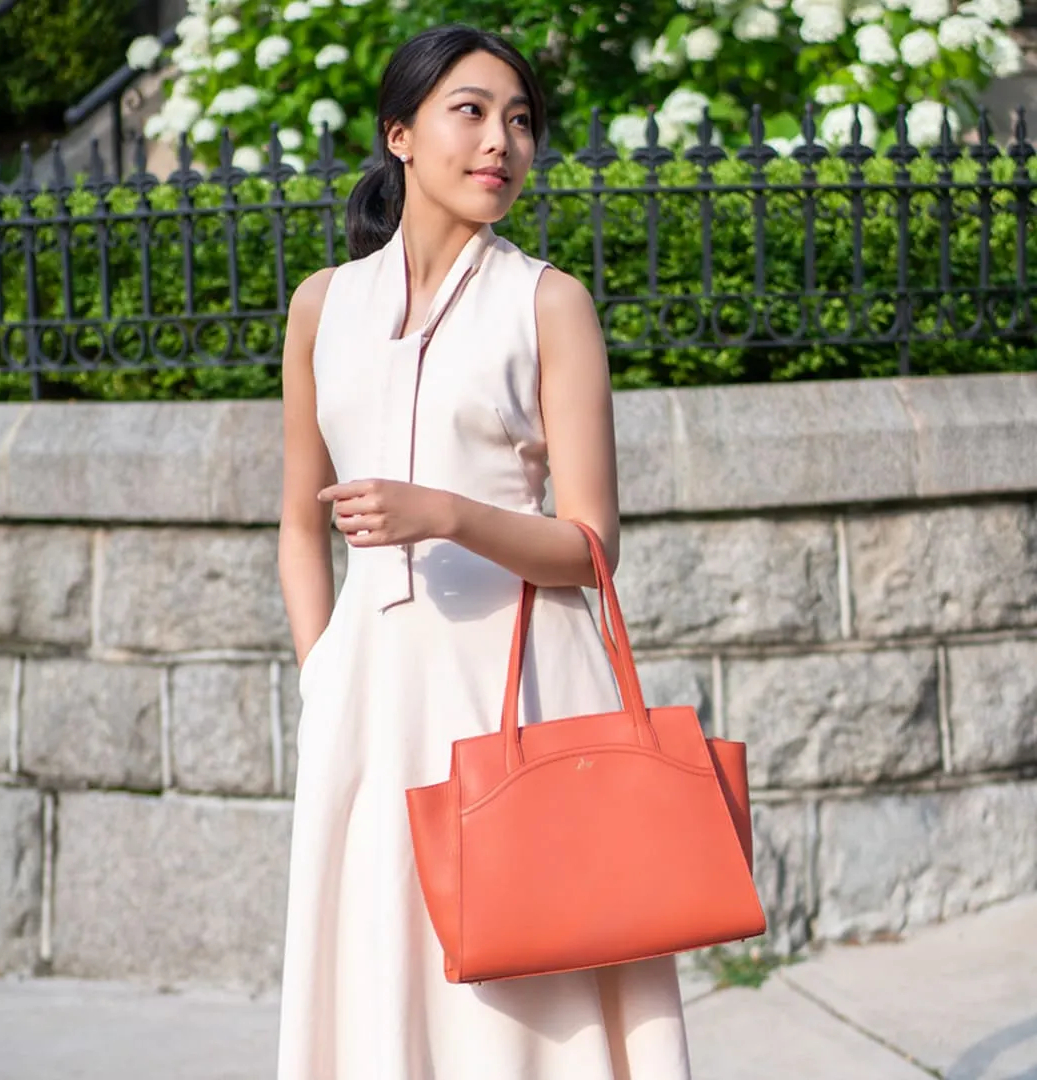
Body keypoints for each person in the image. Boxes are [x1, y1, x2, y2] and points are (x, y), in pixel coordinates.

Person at [275, 23, 692, 1080]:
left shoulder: (548, 301)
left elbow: (592, 545)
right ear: (401, 135)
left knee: (527, 981)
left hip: (525, 684)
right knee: (382, 963)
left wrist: (449, 515)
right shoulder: (322, 305)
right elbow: (296, 519)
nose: (500, 141)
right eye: (470, 112)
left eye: (520, 121)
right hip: (368, 696)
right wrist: (321, 666)